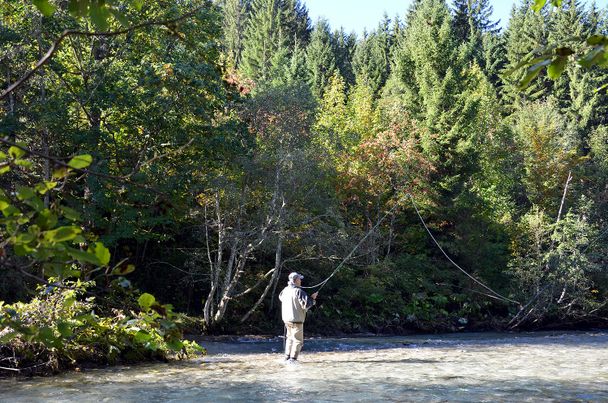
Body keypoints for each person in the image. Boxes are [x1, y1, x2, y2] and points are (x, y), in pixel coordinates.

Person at [279, 272, 318, 362]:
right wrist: (313, 298)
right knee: (298, 341)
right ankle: (293, 359)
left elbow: (280, 298)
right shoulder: (299, 291)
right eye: (299, 279)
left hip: (286, 320)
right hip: (296, 321)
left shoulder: (284, 290)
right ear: (295, 280)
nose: (300, 280)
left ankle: (287, 357)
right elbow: (306, 305)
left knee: (289, 338)